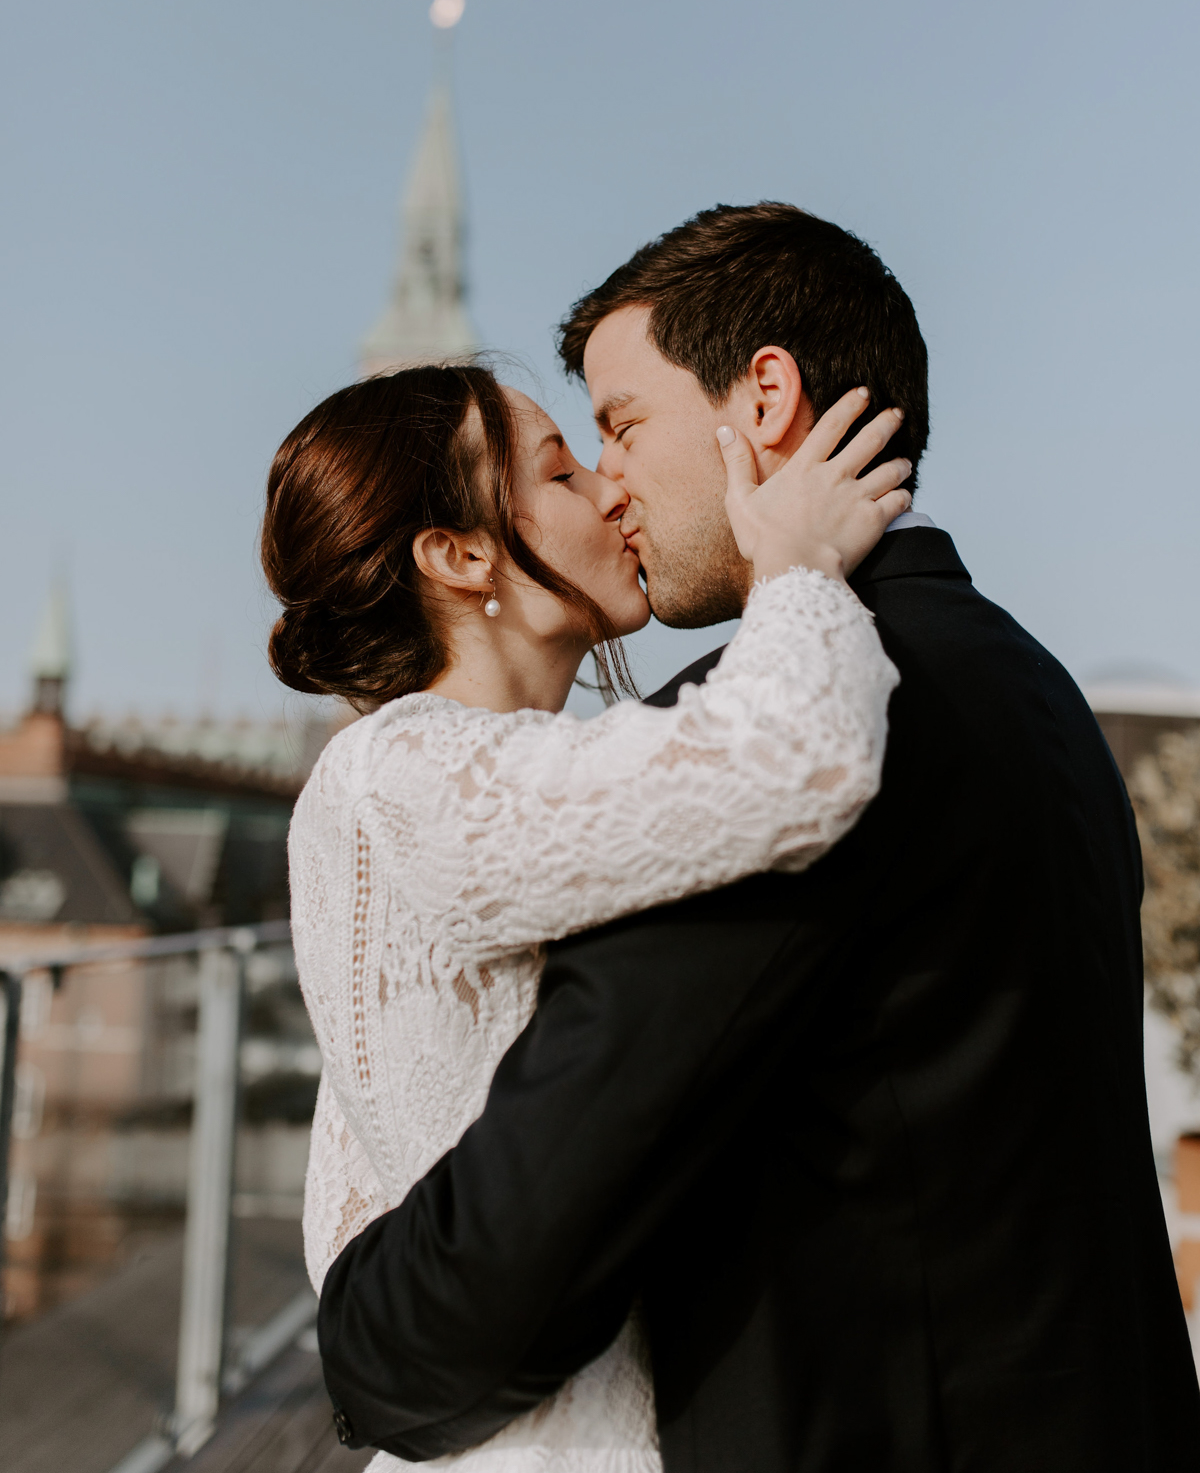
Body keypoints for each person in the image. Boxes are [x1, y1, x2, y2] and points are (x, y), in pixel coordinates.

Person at [316, 203, 1200, 1473]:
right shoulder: (1034, 690)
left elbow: (523, 1247)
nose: (608, 482)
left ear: (765, 398)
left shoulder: (771, 738)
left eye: (618, 427)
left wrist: (361, 1350)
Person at [263, 357, 913, 1472]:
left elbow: (354, 1201)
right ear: (461, 555)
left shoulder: (442, 776)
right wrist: (796, 568)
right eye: (562, 472)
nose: (613, 488)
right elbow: (797, 761)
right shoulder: (410, 771)